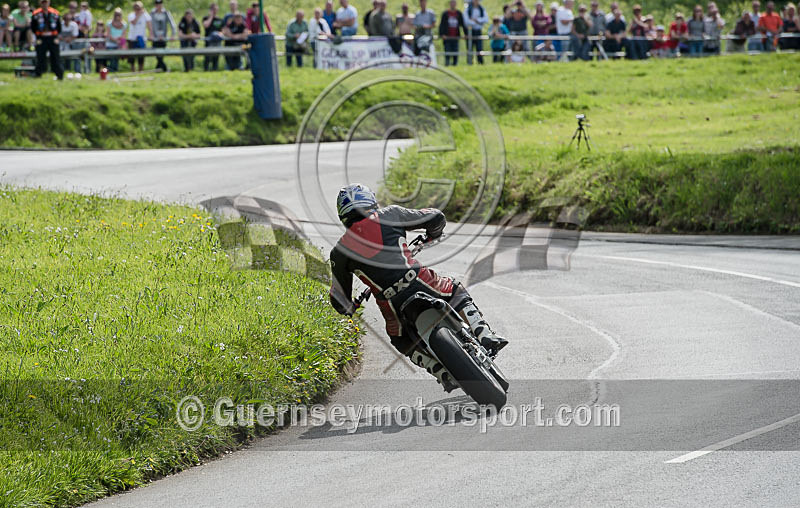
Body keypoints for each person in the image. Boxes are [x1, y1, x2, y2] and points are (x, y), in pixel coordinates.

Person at [328, 184, 508, 392]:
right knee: (455, 290)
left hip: (389, 302)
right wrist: (433, 233)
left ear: (343, 216)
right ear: (371, 202)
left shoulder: (339, 253)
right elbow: (435, 217)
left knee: (400, 339)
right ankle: (485, 334)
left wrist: (350, 307)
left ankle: (440, 372)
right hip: (419, 279)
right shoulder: (390, 214)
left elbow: (338, 300)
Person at [30, 0, 62, 79]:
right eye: (42, 2)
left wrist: (56, 36)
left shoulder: (55, 12)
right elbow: (33, 27)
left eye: (46, 2)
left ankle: (59, 74)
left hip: (52, 37)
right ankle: (38, 74)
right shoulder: (36, 13)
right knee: (40, 56)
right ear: (40, 3)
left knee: (55, 57)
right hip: (41, 37)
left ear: (49, 3)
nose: (44, 4)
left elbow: (59, 26)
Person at [150, 0, 176, 72]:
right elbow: (150, 25)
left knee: (161, 53)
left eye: (160, 4)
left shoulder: (166, 13)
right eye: (157, 4)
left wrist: (172, 35)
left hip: (163, 37)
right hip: (155, 38)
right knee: (157, 53)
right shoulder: (152, 13)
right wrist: (151, 35)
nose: (159, 5)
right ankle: (163, 68)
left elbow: (172, 24)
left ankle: (159, 69)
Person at [439, 0, 465, 65]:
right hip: (447, 37)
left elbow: (463, 25)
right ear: (450, 4)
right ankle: (447, 64)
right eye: (452, 3)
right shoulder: (445, 14)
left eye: (454, 3)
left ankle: (455, 65)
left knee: (455, 52)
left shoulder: (459, 13)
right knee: (447, 52)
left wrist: (465, 34)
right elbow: (441, 25)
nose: (453, 4)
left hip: (455, 37)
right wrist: (442, 34)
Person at [127, 1, 151, 72]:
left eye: (139, 8)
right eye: (136, 8)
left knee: (141, 56)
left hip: (142, 39)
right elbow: (133, 22)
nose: (138, 10)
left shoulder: (146, 15)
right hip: (132, 39)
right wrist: (139, 15)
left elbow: (149, 25)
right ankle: (133, 70)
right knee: (132, 57)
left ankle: (141, 70)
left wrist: (150, 34)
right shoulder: (131, 15)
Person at [464, 0, 488, 64]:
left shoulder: (481, 9)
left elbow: (486, 19)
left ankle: (480, 62)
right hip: (470, 31)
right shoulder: (468, 9)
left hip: (478, 31)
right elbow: (466, 21)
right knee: (470, 48)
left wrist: (476, 20)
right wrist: (477, 22)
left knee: (479, 48)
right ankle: (470, 62)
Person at [202, 3, 224, 71]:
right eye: (213, 9)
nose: (215, 11)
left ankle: (215, 69)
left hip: (217, 41)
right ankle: (206, 70)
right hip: (208, 41)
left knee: (216, 57)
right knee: (207, 57)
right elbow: (206, 25)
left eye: (216, 9)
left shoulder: (220, 20)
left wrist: (218, 34)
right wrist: (211, 16)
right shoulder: (205, 18)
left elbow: (222, 31)